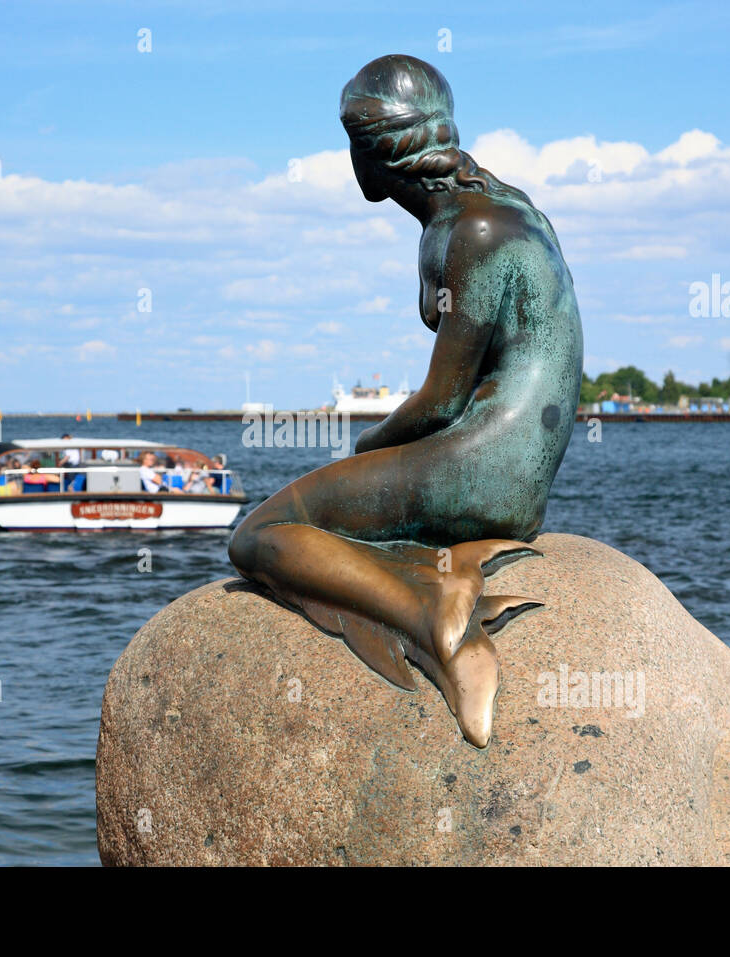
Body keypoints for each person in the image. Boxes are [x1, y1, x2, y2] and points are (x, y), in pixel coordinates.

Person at [227, 56, 583, 748]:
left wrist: (364, 452)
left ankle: (430, 608)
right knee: (339, 506)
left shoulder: (473, 233)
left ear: (369, 155)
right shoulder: (503, 210)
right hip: (512, 466)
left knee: (261, 534)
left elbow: (441, 400)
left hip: (490, 467)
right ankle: (422, 568)